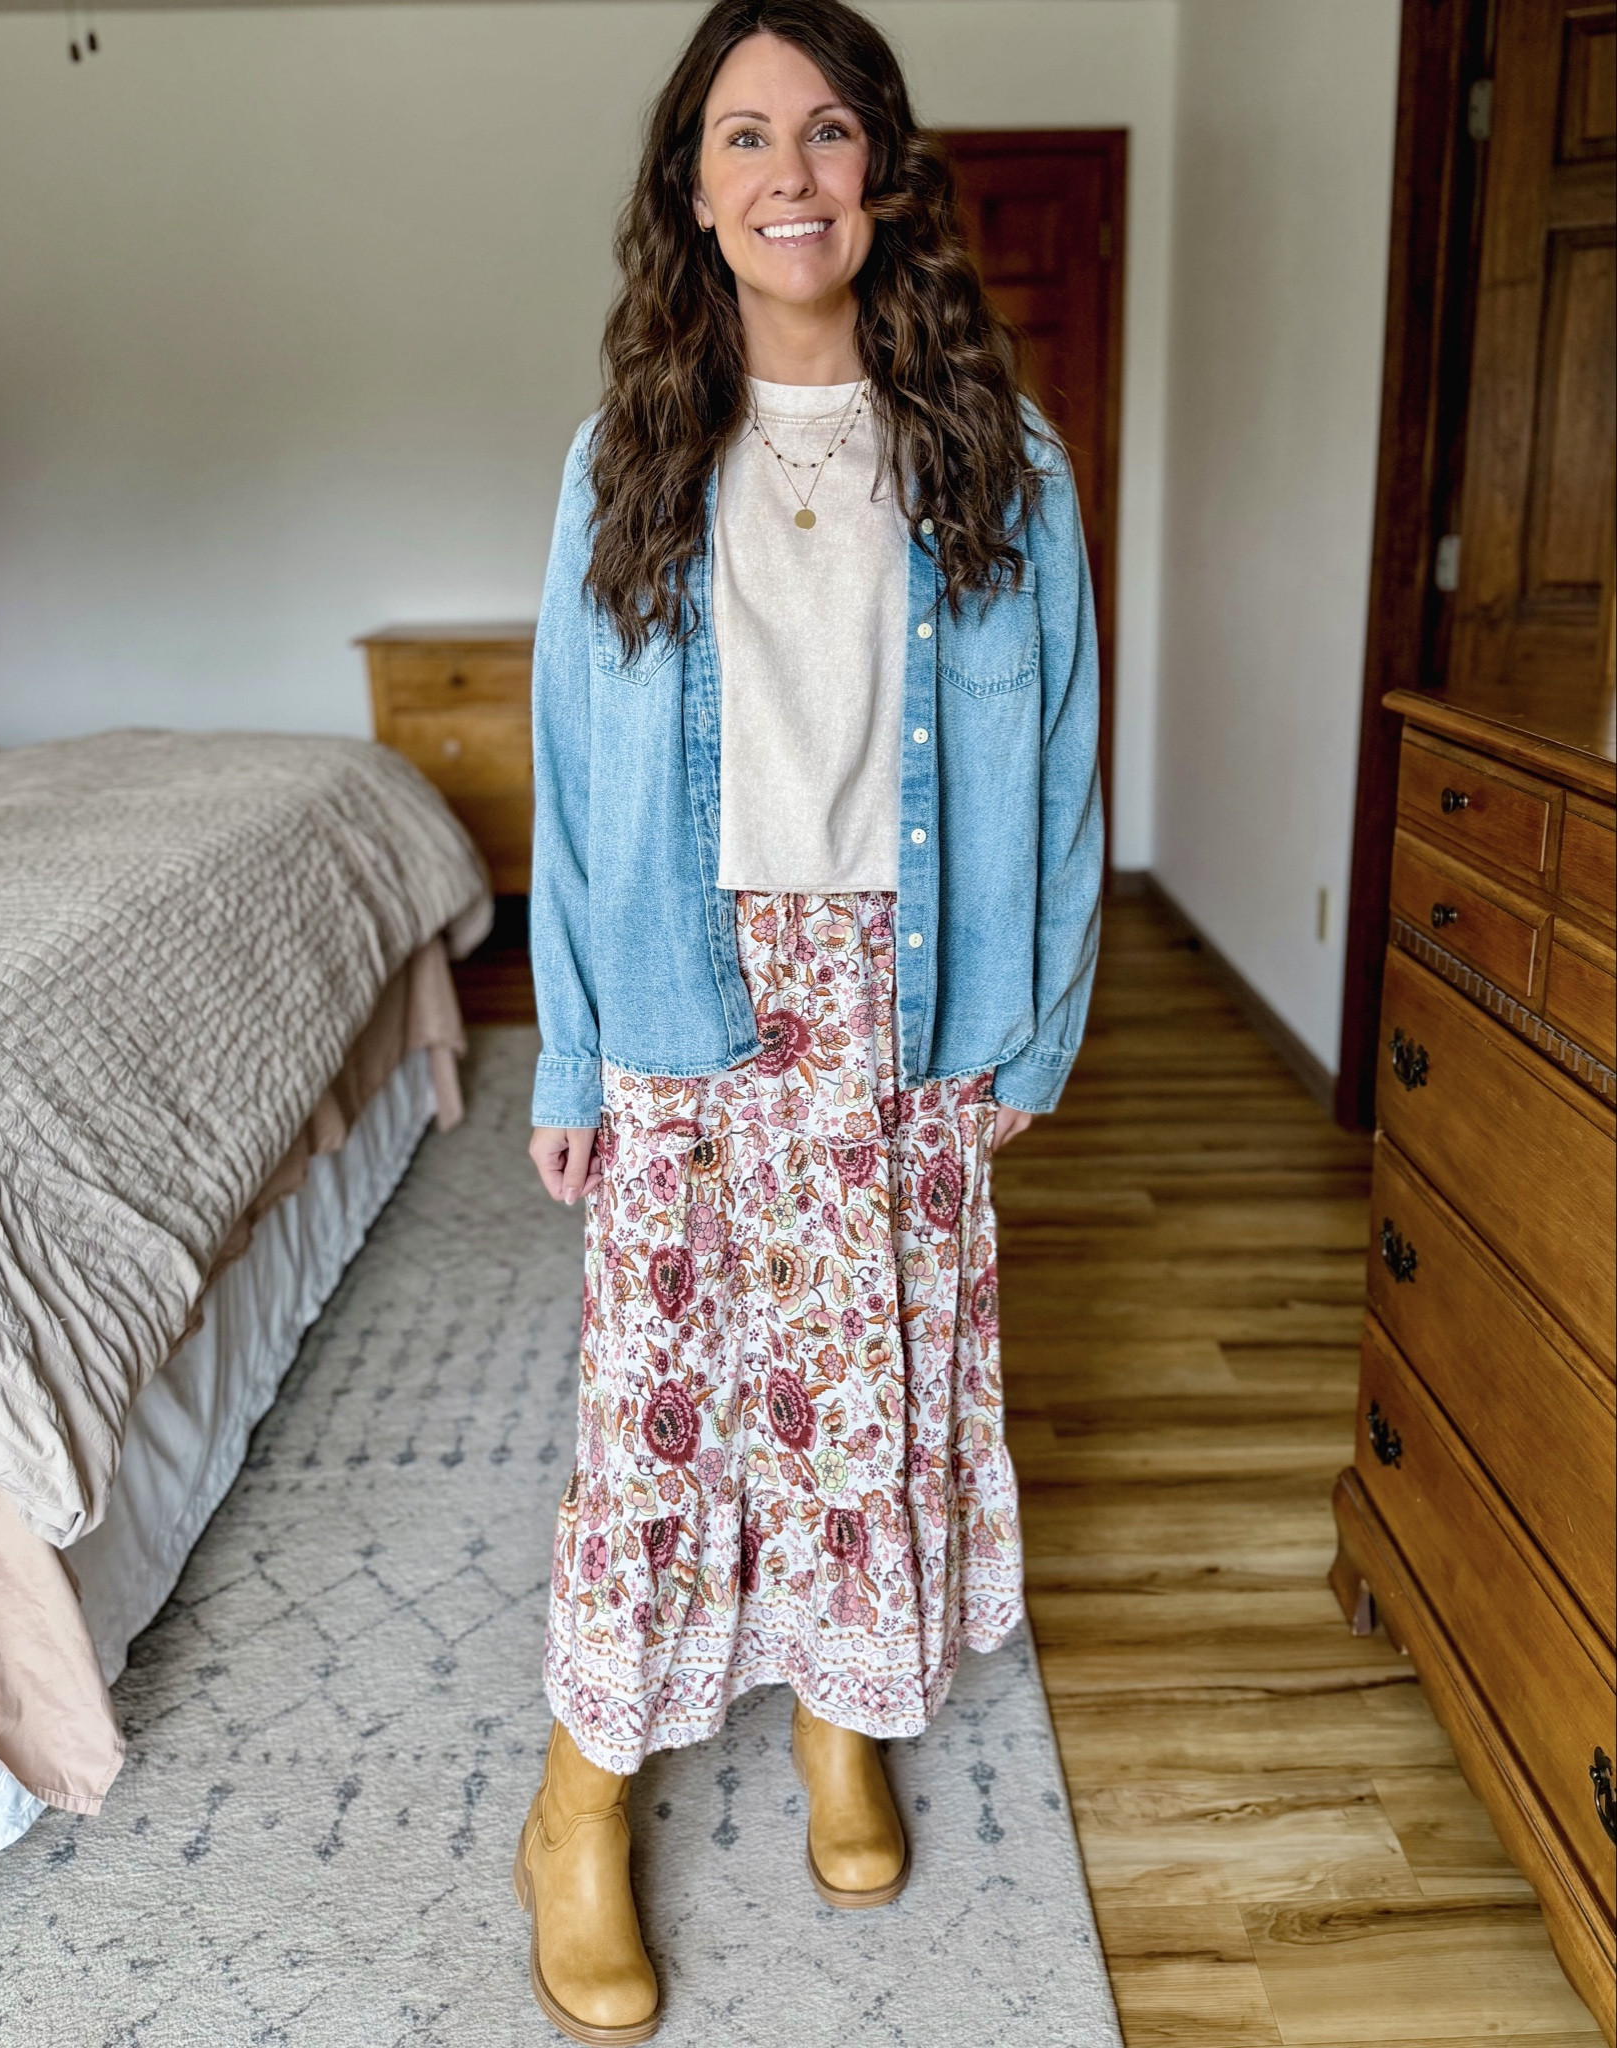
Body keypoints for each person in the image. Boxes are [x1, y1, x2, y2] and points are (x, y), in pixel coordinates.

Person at [518, 0, 1102, 2036]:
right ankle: (580, 1802)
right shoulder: (630, 456)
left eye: (829, 130)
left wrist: (1025, 1033)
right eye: (746, 135)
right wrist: (575, 1046)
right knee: (666, 1416)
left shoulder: (997, 461)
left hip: (901, 991)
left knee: (871, 1399)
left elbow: (1064, 759)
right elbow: (575, 775)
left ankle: (845, 1715)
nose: (790, 171)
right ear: (692, 190)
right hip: (695, 977)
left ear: (884, 178)